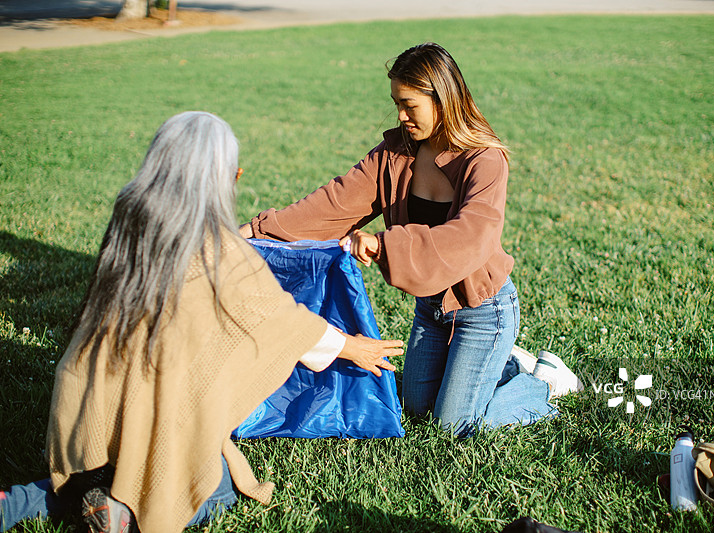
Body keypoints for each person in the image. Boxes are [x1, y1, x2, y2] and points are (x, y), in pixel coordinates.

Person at [0, 111, 403, 533]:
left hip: (91, 398)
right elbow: (281, 321)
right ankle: (126, 514)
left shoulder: (129, 219)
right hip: (155, 410)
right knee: (218, 488)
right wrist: (351, 347)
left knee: (87, 479)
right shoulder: (222, 250)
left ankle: (21, 502)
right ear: (223, 178)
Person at [239, 43, 582, 437]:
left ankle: (542, 383)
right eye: (396, 103)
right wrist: (253, 231)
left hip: (482, 310)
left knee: (454, 426)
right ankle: (501, 366)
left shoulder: (485, 159)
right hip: (431, 310)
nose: (401, 115)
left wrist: (384, 245)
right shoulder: (394, 154)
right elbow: (332, 206)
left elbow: (470, 236)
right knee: (416, 409)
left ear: (443, 99)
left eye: (409, 105)